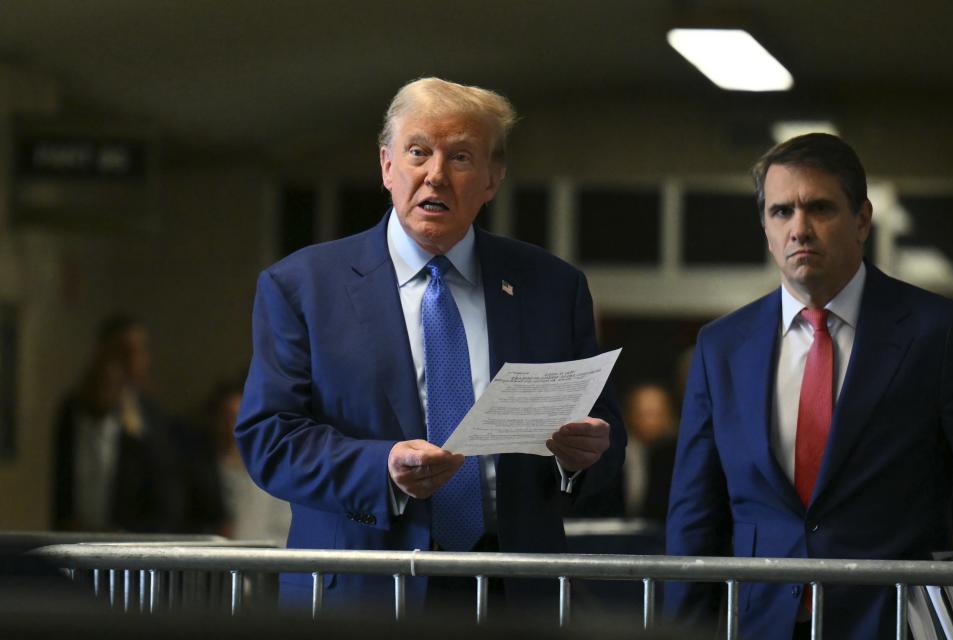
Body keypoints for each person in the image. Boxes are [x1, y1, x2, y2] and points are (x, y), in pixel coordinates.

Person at [235, 77, 625, 614]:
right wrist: (383, 467)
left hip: (513, 593)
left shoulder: (551, 286)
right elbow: (269, 440)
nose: (436, 174)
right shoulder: (302, 286)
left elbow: (603, 430)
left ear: (493, 178)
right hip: (360, 592)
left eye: (461, 156)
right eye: (418, 152)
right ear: (387, 166)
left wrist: (581, 458)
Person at [664, 133, 953, 639]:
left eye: (819, 208)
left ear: (862, 219)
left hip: (891, 622)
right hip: (762, 623)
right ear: (765, 225)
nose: (799, 228)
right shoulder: (721, 347)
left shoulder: (937, 330)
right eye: (781, 212)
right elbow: (696, 513)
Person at [52, 315, 185, 532]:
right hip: (75, 543)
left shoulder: (153, 419)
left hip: (129, 550)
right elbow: (62, 485)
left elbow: (167, 505)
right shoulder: (73, 409)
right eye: (124, 353)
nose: (133, 362)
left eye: (139, 352)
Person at [207, 381, 290, 546]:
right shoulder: (208, 470)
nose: (237, 426)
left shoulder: (279, 467)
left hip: (275, 555)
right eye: (231, 418)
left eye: (243, 417)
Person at [621, 382, 677, 520]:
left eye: (657, 413)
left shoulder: (681, 456)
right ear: (630, 415)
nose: (650, 421)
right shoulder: (615, 456)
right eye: (644, 414)